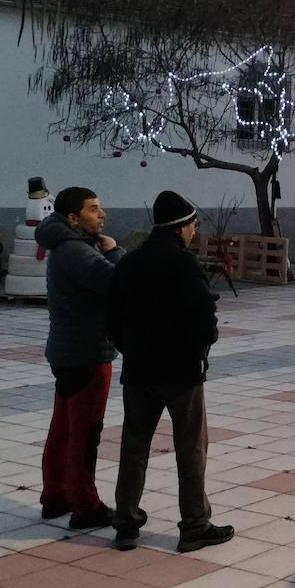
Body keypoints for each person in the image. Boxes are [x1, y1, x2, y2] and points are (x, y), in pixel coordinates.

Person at [108, 191, 234, 553]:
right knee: (190, 447)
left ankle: (126, 523)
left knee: (134, 446)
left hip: (138, 371)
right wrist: (201, 345)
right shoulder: (184, 264)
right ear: (182, 228)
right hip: (181, 373)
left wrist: (131, 348)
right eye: (194, 225)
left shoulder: (128, 263)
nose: (195, 232)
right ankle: (194, 524)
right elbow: (203, 319)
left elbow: (111, 319)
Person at [37, 185, 125, 529]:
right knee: (85, 432)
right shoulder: (75, 249)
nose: (101, 214)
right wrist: (115, 251)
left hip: (68, 349)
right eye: (93, 209)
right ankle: (84, 504)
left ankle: (55, 494)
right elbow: (114, 281)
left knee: (63, 426)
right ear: (73, 217)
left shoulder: (65, 244)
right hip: (87, 351)